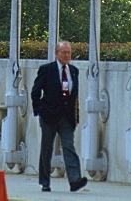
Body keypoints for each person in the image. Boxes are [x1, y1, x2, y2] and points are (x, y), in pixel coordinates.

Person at [31, 41, 87, 193]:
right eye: (63, 52)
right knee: (47, 148)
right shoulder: (46, 70)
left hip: (66, 117)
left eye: (69, 52)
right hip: (49, 115)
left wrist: (76, 116)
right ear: (56, 54)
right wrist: (39, 110)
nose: (67, 55)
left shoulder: (74, 71)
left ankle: (75, 180)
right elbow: (35, 92)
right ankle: (45, 182)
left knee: (69, 146)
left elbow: (75, 96)